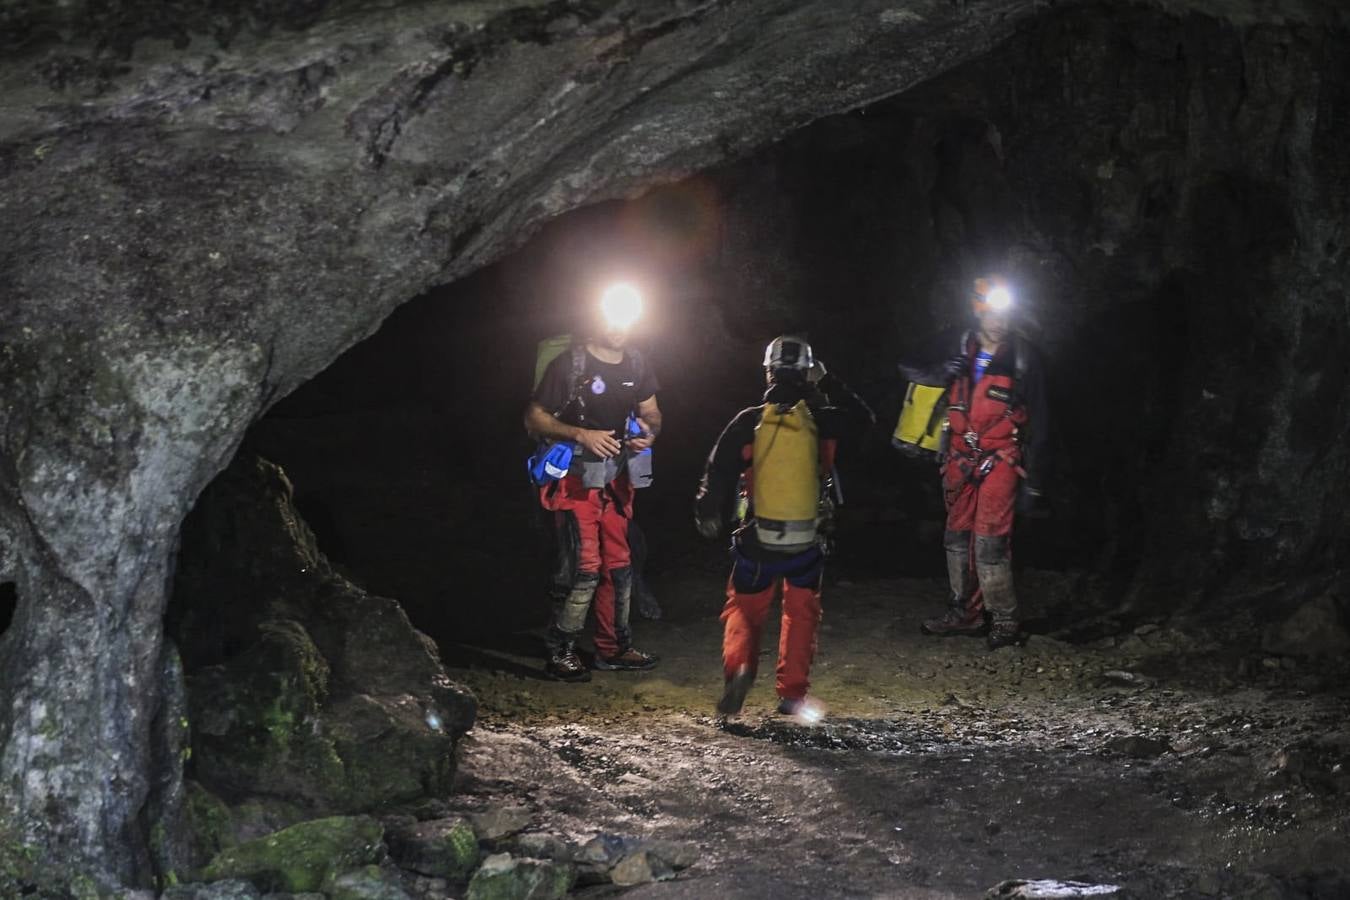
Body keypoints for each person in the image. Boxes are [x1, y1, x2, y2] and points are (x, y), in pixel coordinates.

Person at [694, 336, 867, 717]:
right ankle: (792, 694)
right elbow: (864, 420)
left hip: (758, 538)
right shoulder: (823, 420)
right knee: (801, 612)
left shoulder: (749, 420)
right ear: (807, 372)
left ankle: (739, 669)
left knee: (744, 607)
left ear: (768, 371)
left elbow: (718, 467)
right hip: (806, 539)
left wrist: (707, 511)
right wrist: (829, 382)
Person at [898, 276, 1049, 650]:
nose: (999, 321)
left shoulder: (1023, 356)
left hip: (1000, 459)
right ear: (978, 309)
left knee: (990, 542)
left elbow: (1043, 422)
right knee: (956, 537)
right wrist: (939, 373)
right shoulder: (957, 343)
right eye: (992, 311)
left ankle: (1004, 619)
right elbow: (907, 364)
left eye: (1005, 313)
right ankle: (964, 612)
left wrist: (1035, 483)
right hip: (959, 458)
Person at [524, 284, 662, 681]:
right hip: (575, 482)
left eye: (626, 319)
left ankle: (613, 648)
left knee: (619, 564)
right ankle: (560, 651)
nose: (619, 328)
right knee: (583, 568)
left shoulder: (637, 364)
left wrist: (648, 433)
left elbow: (653, 412)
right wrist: (581, 434)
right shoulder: (570, 365)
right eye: (612, 318)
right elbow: (534, 417)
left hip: (616, 482)